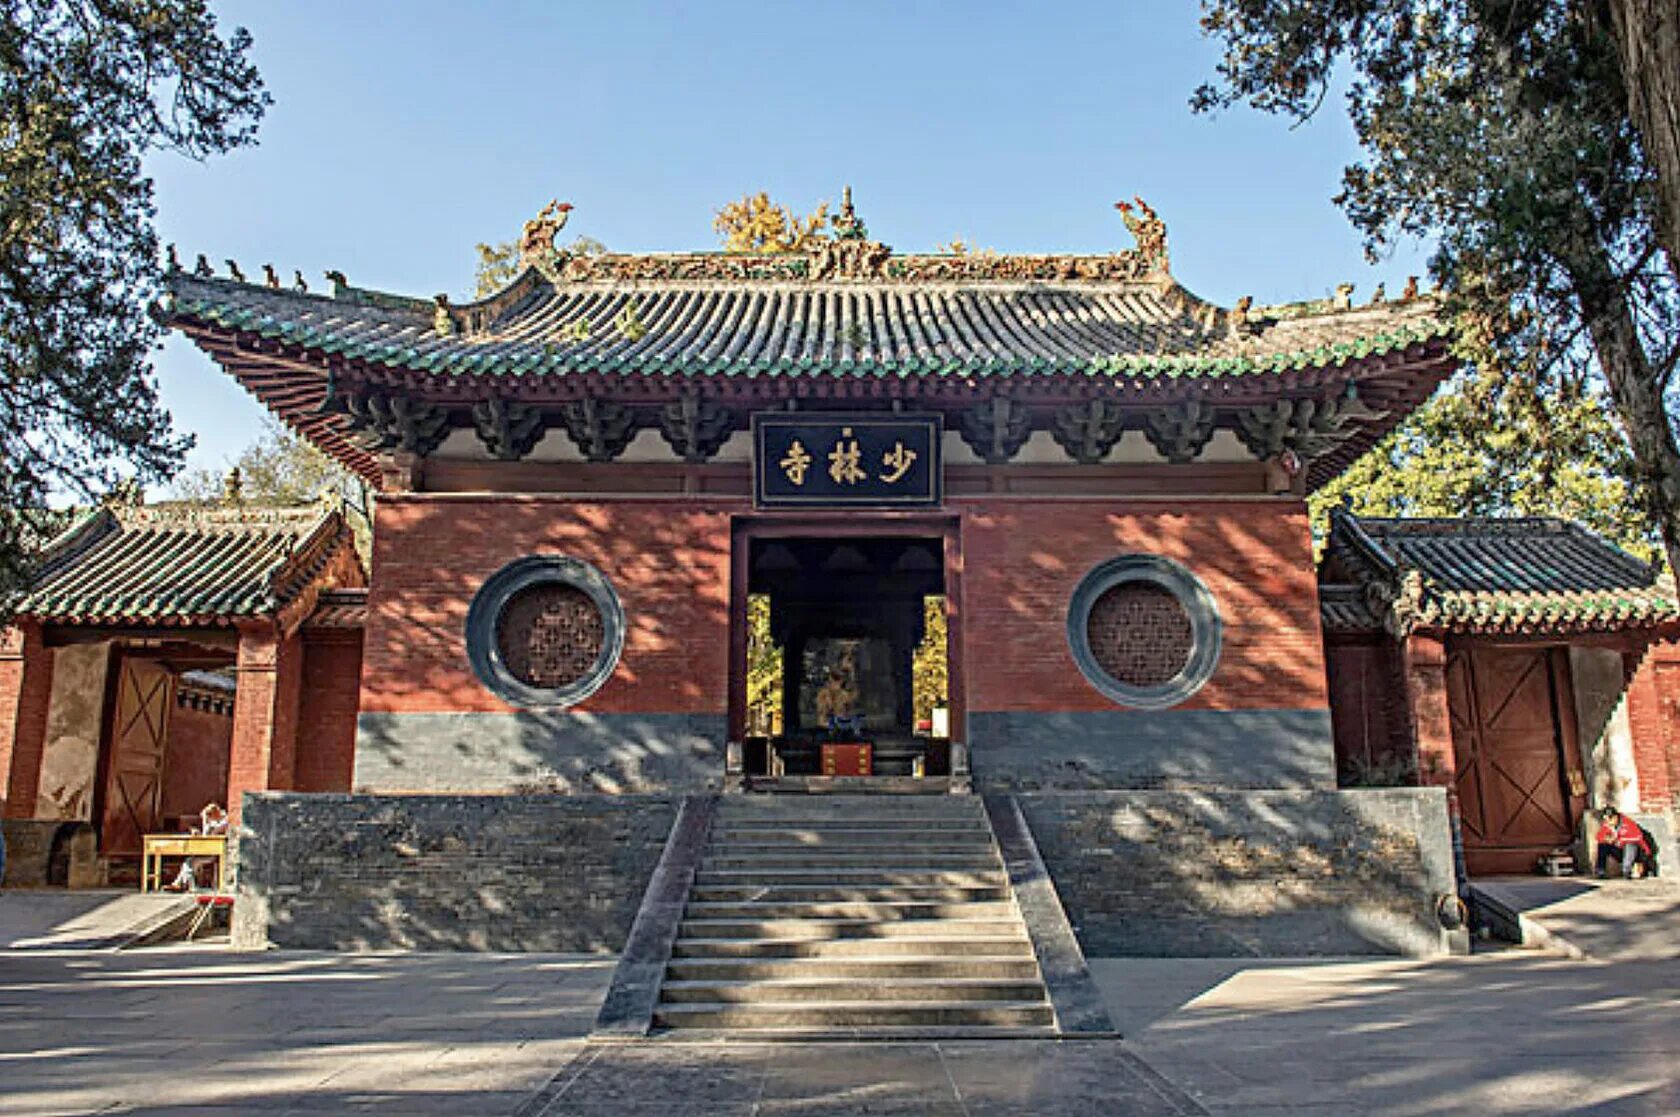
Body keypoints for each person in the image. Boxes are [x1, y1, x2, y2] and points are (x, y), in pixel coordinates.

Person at [163, 802, 230, 892]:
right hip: (206, 850)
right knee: (188, 862)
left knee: (189, 863)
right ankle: (179, 884)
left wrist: (205, 821)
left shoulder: (223, 822)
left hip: (214, 853)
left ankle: (188, 886)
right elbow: (205, 835)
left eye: (209, 816)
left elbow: (208, 834)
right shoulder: (214, 821)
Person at [1594, 807, 1656, 879]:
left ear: (1616, 817)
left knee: (1630, 844)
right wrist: (1607, 839)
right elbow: (1598, 837)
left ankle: (1627, 871)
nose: (1608, 821)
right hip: (1621, 851)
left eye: (1610, 818)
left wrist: (1619, 840)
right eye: (1606, 819)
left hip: (1638, 853)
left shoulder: (1628, 823)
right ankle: (1601, 871)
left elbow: (1638, 837)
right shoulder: (1607, 825)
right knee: (1602, 845)